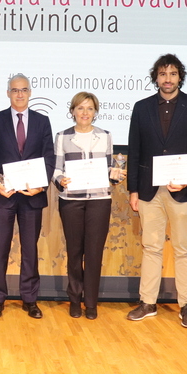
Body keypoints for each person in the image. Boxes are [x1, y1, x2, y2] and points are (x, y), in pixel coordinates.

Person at [126, 54, 187, 328]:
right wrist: (132, 190)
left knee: (183, 250)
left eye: (173, 74)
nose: (168, 79)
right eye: (163, 74)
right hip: (149, 191)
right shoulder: (141, 107)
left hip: (183, 192)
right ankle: (147, 302)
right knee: (151, 248)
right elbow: (134, 151)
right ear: (156, 77)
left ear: (180, 77)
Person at [0, 74, 55, 319]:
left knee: (30, 251)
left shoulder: (43, 121)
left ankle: (30, 299)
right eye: (15, 90)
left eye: (24, 89)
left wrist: (41, 186)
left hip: (32, 197)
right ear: (8, 93)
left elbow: (49, 157)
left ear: (30, 92)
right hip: (4, 196)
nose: (20, 94)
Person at [52, 92, 125, 320]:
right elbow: (56, 170)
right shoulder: (62, 136)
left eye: (90, 108)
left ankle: (91, 302)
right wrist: (60, 180)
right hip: (71, 201)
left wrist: (115, 175)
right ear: (72, 111)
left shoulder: (105, 136)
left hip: (99, 201)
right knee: (74, 252)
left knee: (94, 253)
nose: (85, 113)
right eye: (80, 108)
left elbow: (110, 169)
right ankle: (75, 299)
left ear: (96, 112)